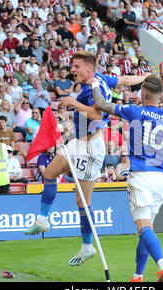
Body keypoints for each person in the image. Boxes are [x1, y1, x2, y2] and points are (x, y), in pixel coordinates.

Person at [23, 51, 149, 267]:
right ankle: (43, 220)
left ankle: (87, 247)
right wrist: (145, 78)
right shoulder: (101, 78)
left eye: (77, 66)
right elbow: (124, 80)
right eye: (72, 65)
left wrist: (72, 102)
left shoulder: (94, 87)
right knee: (50, 173)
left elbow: (97, 115)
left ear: (89, 69)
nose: (72, 69)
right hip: (77, 142)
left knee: (83, 202)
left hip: (91, 148)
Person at [89, 74, 163, 282]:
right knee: (147, 228)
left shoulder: (135, 111)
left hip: (140, 175)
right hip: (160, 178)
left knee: (143, 227)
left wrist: (95, 83)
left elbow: (101, 103)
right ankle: (138, 275)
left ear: (144, 93)